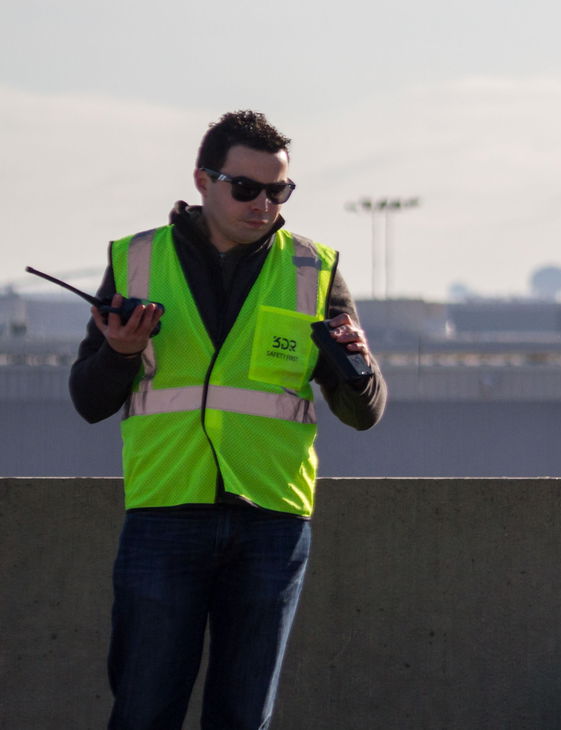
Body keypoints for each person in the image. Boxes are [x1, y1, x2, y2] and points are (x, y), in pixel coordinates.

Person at [70, 110, 387, 730]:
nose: (263, 204)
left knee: (243, 717)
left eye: (279, 191)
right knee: (143, 710)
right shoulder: (136, 260)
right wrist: (121, 354)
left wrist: (353, 365)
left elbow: (365, 412)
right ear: (203, 181)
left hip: (271, 520)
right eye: (246, 188)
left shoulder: (313, 270)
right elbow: (88, 399)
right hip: (165, 512)